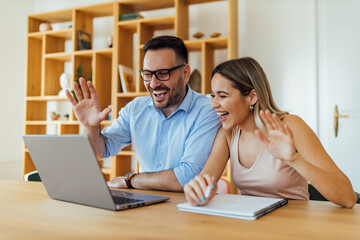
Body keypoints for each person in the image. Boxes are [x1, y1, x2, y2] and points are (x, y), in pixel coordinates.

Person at [184, 57, 357, 208]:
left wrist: (294, 159)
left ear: (252, 96)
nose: (213, 104)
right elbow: (205, 181)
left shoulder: (290, 125)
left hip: (294, 226)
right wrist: (197, 189)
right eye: (213, 95)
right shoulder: (228, 133)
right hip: (253, 226)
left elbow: (348, 198)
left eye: (222, 96)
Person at [65, 36, 221, 192]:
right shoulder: (135, 109)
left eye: (163, 73)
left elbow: (187, 178)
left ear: (185, 73)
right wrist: (90, 126)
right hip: (145, 203)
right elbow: (100, 151)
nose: (153, 84)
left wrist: (130, 180)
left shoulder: (207, 110)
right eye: (147, 74)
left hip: (188, 205)